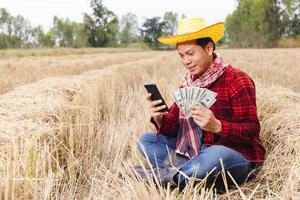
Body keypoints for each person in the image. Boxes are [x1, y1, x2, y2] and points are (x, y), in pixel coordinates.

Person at [136, 17, 265, 190]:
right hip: (195, 153)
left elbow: (252, 130)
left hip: (233, 156)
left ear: (209, 48)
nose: (185, 61)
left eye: (190, 53)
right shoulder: (188, 84)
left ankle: (168, 175)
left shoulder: (236, 79)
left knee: (216, 155)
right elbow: (173, 130)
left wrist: (218, 126)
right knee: (146, 141)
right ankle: (188, 173)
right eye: (181, 56)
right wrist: (159, 118)